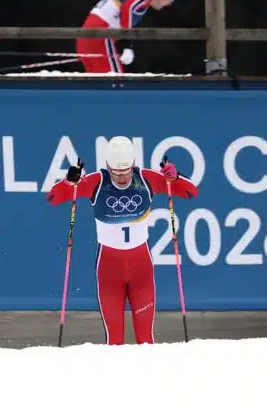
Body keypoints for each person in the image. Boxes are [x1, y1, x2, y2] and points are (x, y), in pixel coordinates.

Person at [46, 136, 198, 345]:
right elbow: (54, 198)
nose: (122, 178)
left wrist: (176, 177)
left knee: (146, 340)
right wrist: (68, 181)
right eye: (117, 173)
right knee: (114, 342)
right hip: (109, 271)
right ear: (109, 167)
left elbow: (191, 192)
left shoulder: (146, 179)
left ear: (133, 165)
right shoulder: (96, 183)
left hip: (141, 269)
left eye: (126, 172)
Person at [76, 0, 178, 74]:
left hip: (85, 39)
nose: (169, 4)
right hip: (100, 37)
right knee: (116, 83)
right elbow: (127, 9)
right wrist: (126, 45)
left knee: (98, 86)